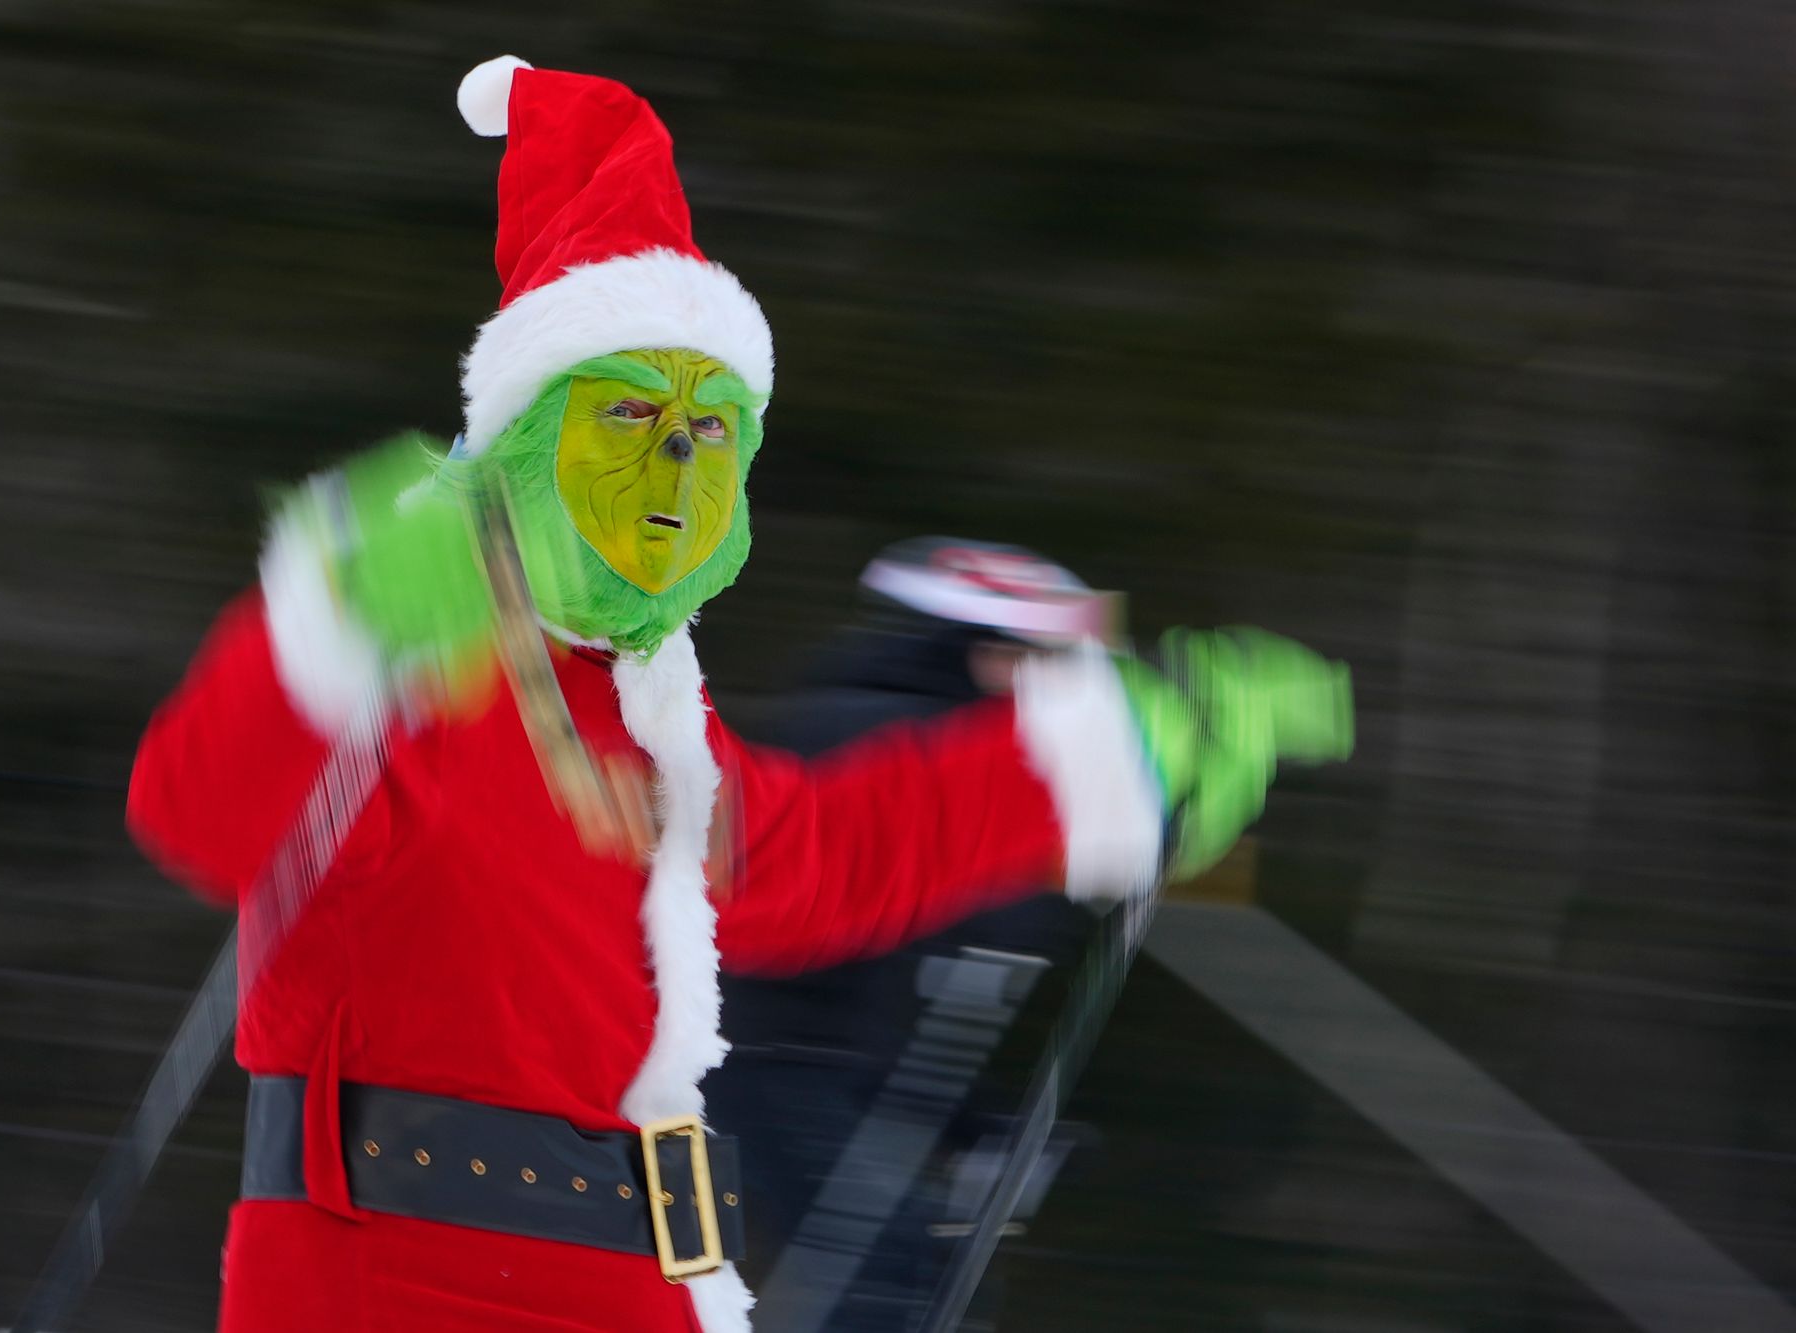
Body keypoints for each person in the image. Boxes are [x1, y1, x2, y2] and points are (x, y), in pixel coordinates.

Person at [125, 56, 1353, 1333]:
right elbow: (200, 812)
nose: (674, 458)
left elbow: (820, 856)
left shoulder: (657, 719)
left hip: (637, 1280)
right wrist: (330, 626)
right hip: (395, 1278)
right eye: (629, 413)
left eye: (713, 428)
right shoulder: (426, 668)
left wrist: (1111, 755)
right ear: (528, 439)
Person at [709, 538, 1125, 1332]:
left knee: (908, 1275)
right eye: (1046, 666)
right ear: (992, 654)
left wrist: (973, 1126)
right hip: (760, 1062)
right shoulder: (888, 737)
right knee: (883, 1275)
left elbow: (918, 982)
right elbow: (912, 931)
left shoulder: (912, 737)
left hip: (804, 1065)